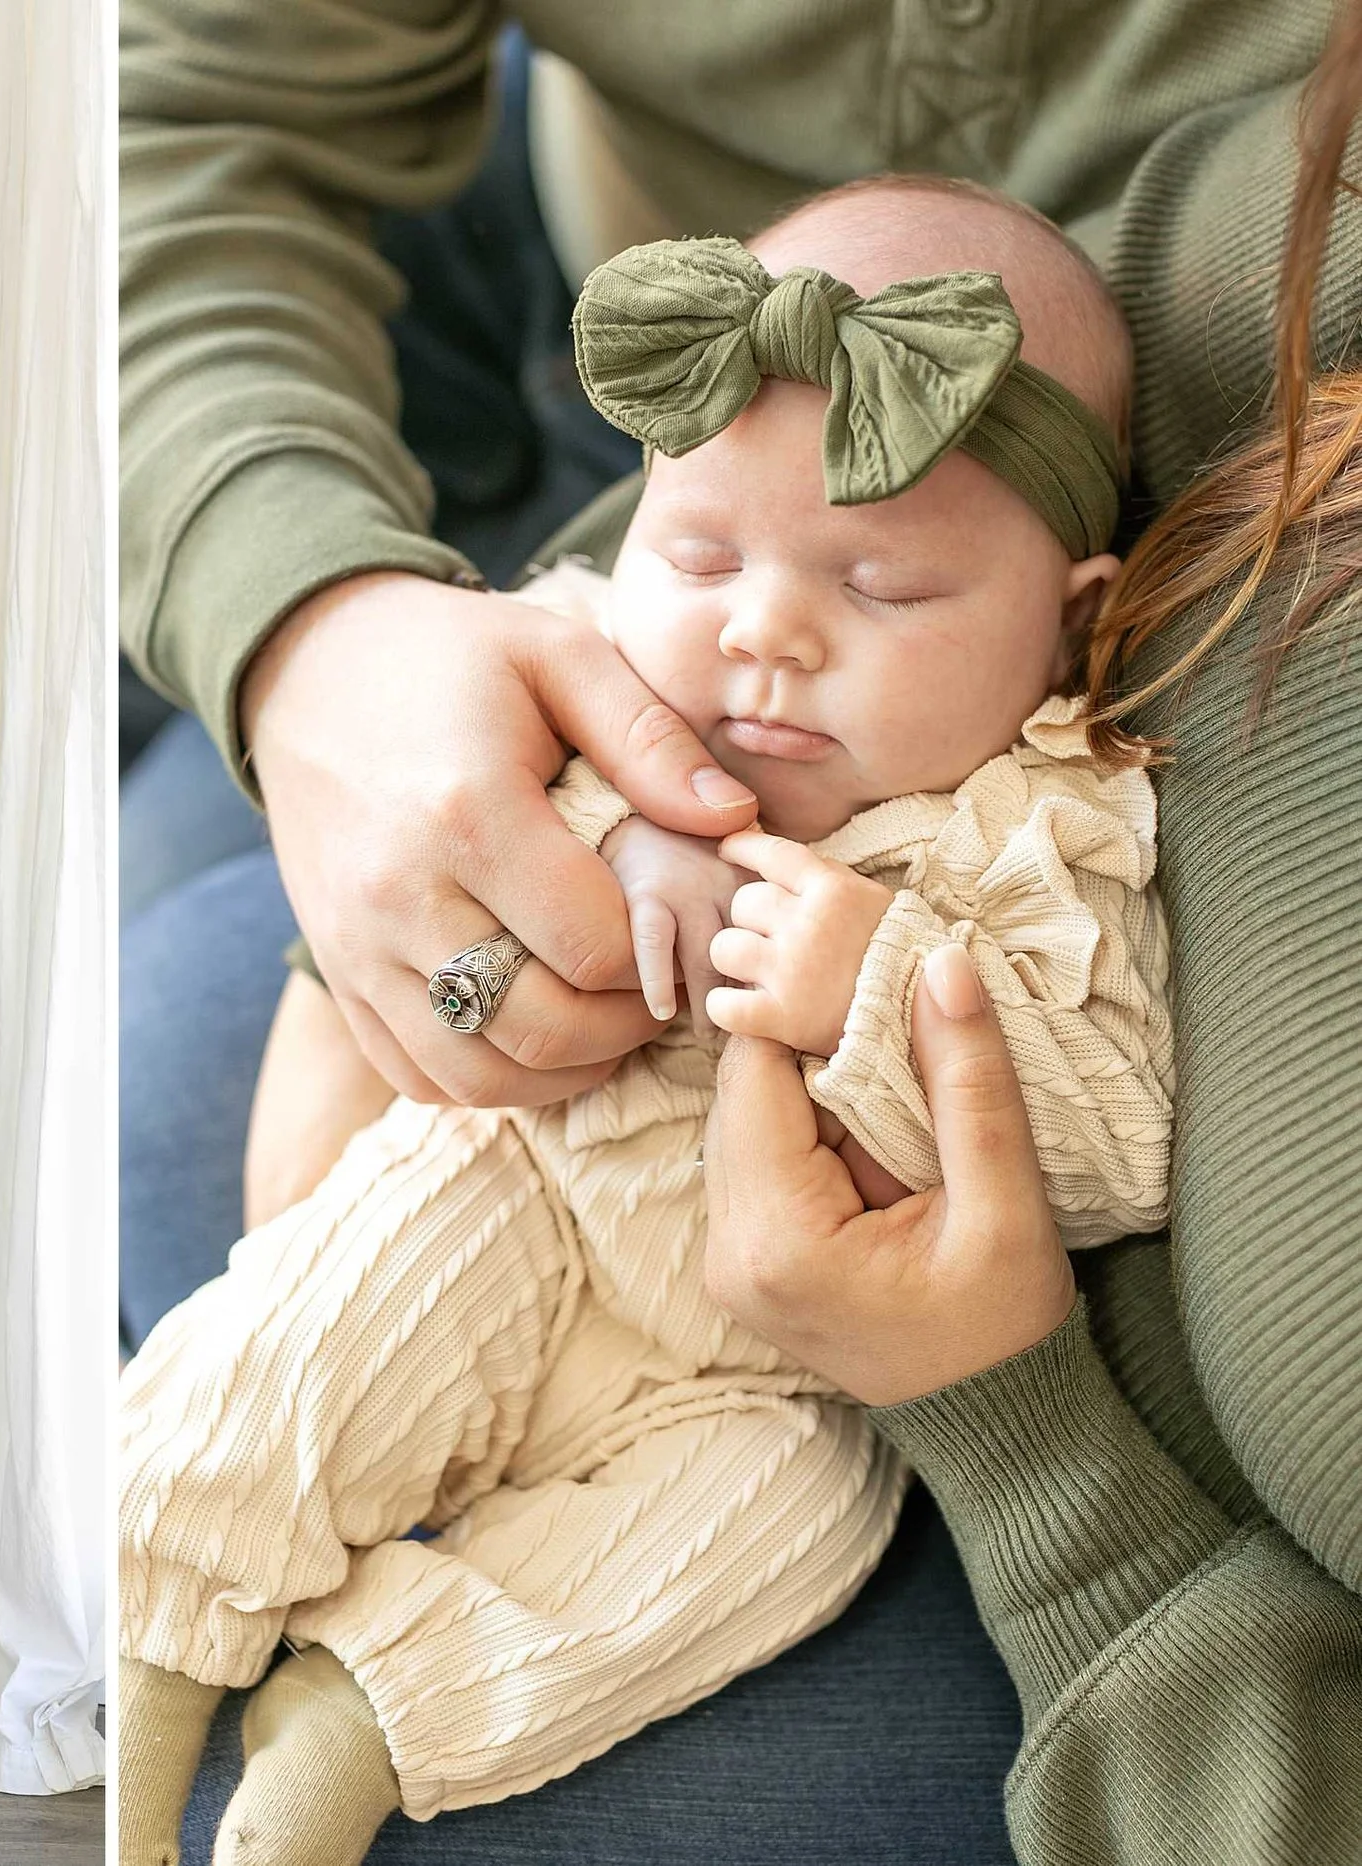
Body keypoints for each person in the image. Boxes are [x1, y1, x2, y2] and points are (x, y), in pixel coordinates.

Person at [121, 3, 1362, 1854]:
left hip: (807, 1380)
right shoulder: (648, 653)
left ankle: (370, 1711)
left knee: (744, 1551)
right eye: (706, 567)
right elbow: (607, 596)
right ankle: (130, 1686)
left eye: (885, 587)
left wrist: (880, 996)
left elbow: (1113, 1132)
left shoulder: (1059, 820)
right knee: (283, 1320)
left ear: (1079, 620)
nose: (766, 634)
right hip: (532, 1177)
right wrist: (350, 697)